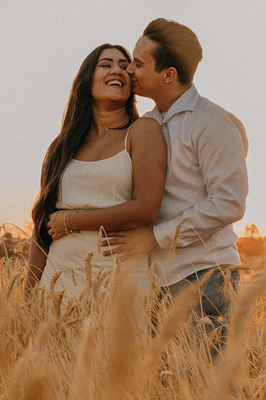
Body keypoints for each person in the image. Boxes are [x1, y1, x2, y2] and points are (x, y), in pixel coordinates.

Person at [100, 19, 249, 349]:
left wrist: (153, 237)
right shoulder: (147, 125)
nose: (129, 70)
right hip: (155, 281)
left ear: (168, 73)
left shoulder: (213, 123)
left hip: (204, 278)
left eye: (139, 63)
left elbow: (228, 203)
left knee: (209, 391)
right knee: (170, 393)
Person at [23, 44, 167, 299]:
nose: (118, 70)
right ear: (87, 79)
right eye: (106, 64)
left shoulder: (143, 130)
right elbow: (42, 223)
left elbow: (146, 207)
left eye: (125, 67)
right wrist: (26, 298)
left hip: (119, 282)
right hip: (58, 284)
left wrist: (71, 221)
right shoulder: (62, 145)